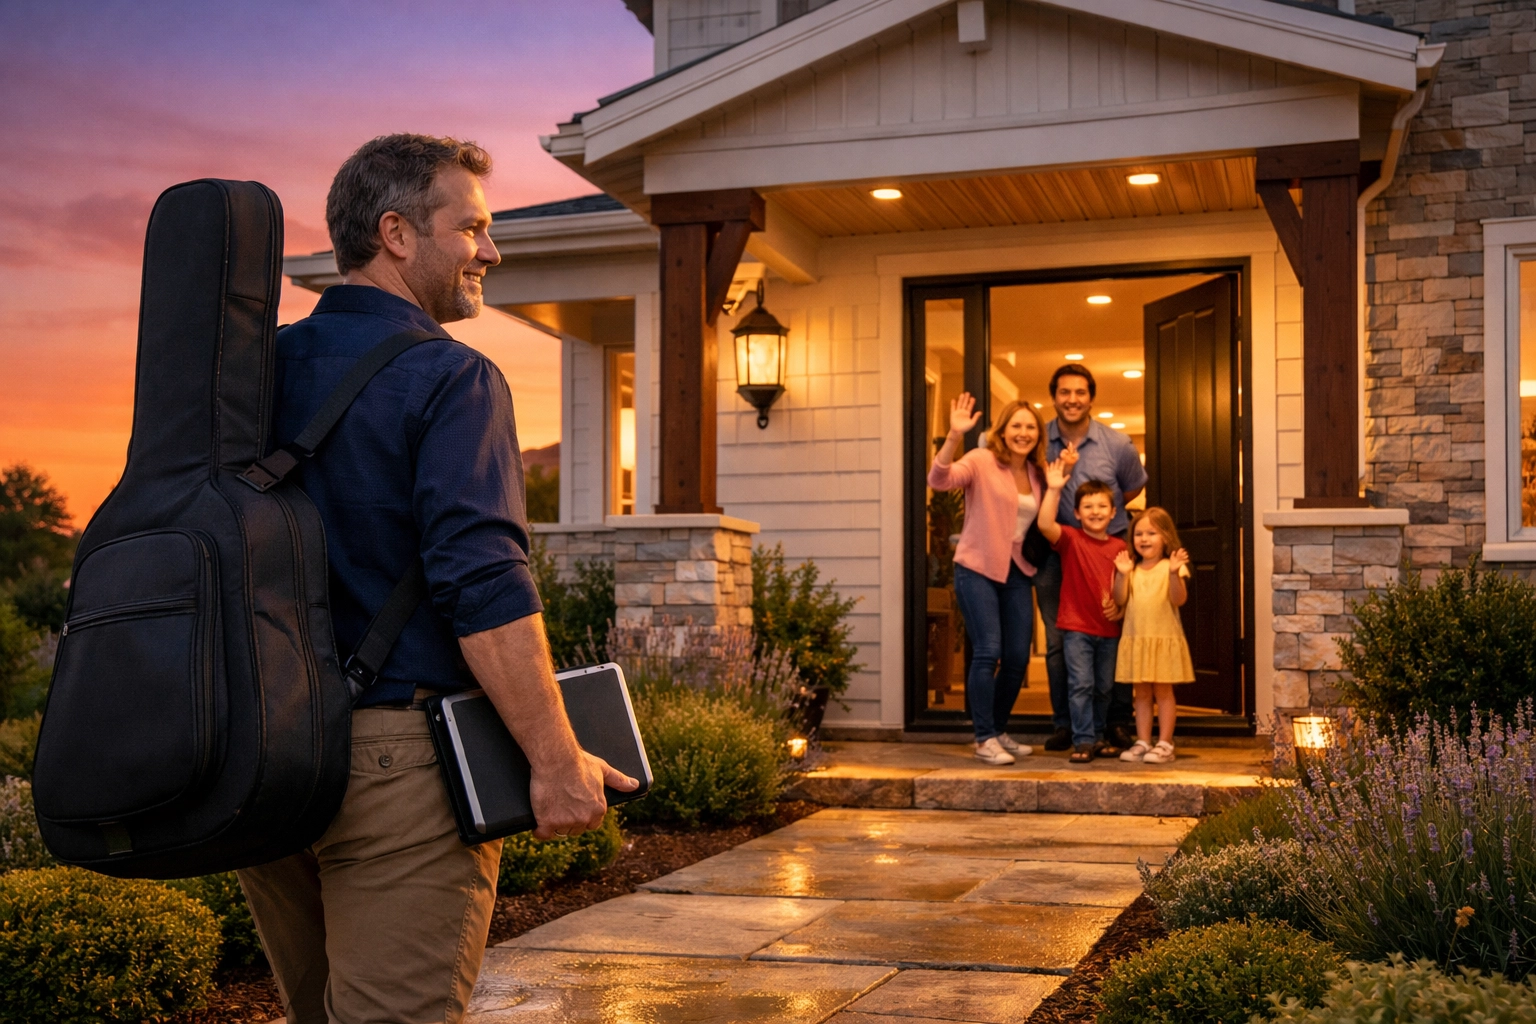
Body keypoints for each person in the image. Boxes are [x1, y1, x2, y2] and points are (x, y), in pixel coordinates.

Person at [235, 134, 638, 1024]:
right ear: (397, 234)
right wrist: (554, 758)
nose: (492, 252)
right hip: (394, 765)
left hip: (263, 750)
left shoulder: (248, 373)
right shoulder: (451, 377)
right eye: (475, 228)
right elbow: (483, 581)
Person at [927, 392, 1049, 765]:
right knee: (988, 651)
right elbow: (940, 480)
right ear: (1003, 429)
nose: (1023, 433)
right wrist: (953, 436)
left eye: (1030, 427)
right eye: (1017, 425)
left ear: (1037, 434)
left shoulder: (1036, 473)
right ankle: (983, 738)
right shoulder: (981, 460)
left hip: (1017, 572)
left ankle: (997, 729)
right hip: (977, 567)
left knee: (1016, 657)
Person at [1035, 363, 1147, 752]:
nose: (1072, 399)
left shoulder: (1117, 444)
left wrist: (1100, 525)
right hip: (1058, 551)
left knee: (1113, 636)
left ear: (1091, 398)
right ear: (1054, 397)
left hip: (1110, 553)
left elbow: (1130, 491)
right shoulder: (1038, 441)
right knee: (1057, 642)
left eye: (1080, 392)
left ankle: (1114, 723)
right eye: (1064, 392)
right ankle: (1067, 725)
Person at [1036, 462, 1127, 763]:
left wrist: (1122, 605)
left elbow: (1124, 589)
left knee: (1104, 687)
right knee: (1081, 684)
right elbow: (1045, 524)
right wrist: (1054, 488)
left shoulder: (1120, 547)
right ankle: (1084, 740)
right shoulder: (1071, 540)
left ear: (1114, 512)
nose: (1096, 511)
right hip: (1076, 628)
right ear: (1076, 513)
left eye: (1102, 506)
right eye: (1088, 506)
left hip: (1109, 630)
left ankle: (1098, 736)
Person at [1112, 508, 1194, 764]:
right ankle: (1143, 741)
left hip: (1163, 639)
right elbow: (1119, 599)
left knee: (1163, 692)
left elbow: (1179, 599)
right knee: (1142, 695)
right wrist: (1122, 575)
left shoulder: (1171, 568)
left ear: (1166, 537)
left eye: (1151, 533)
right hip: (1138, 640)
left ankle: (1165, 743)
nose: (1144, 539)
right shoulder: (1131, 570)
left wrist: (1173, 572)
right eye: (1138, 534)